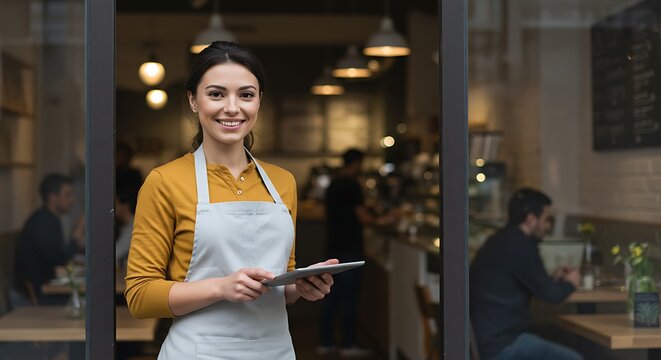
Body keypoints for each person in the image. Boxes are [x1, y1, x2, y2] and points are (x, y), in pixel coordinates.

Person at [125, 41, 338, 359]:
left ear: (259, 101)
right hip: (198, 352)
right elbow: (140, 296)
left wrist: (299, 285)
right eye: (216, 94)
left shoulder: (283, 182)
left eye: (246, 95)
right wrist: (221, 288)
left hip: (275, 351)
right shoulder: (164, 182)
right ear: (193, 101)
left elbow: (279, 285)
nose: (232, 107)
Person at [470, 188, 582, 360]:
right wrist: (572, 282)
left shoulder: (500, 240)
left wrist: (553, 279)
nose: (548, 226)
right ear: (531, 220)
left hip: (483, 340)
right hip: (501, 346)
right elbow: (552, 296)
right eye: (545, 219)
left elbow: (532, 283)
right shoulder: (521, 246)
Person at [318, 148, 398, 357]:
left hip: (332, 246)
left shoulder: (333, 184)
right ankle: (348, 343)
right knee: (350, 298)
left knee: (331, 296)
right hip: (350, 248)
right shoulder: (352, 185)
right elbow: (363, 218)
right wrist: (385, 220)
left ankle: (325, 342)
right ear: (357, 164)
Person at [14, 173, 85, 305]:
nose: (72, 199)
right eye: (68, 194)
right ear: (53, 197)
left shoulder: (49, 219)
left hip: (45, 289)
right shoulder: (43, 221)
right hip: (36, 295)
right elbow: (59, 259)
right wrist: (77, 235)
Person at [115, 184, 138, 271]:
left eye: (116, 204)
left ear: (125, 206)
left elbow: (116, 253)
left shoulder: (132, 227)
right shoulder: (123, 226)